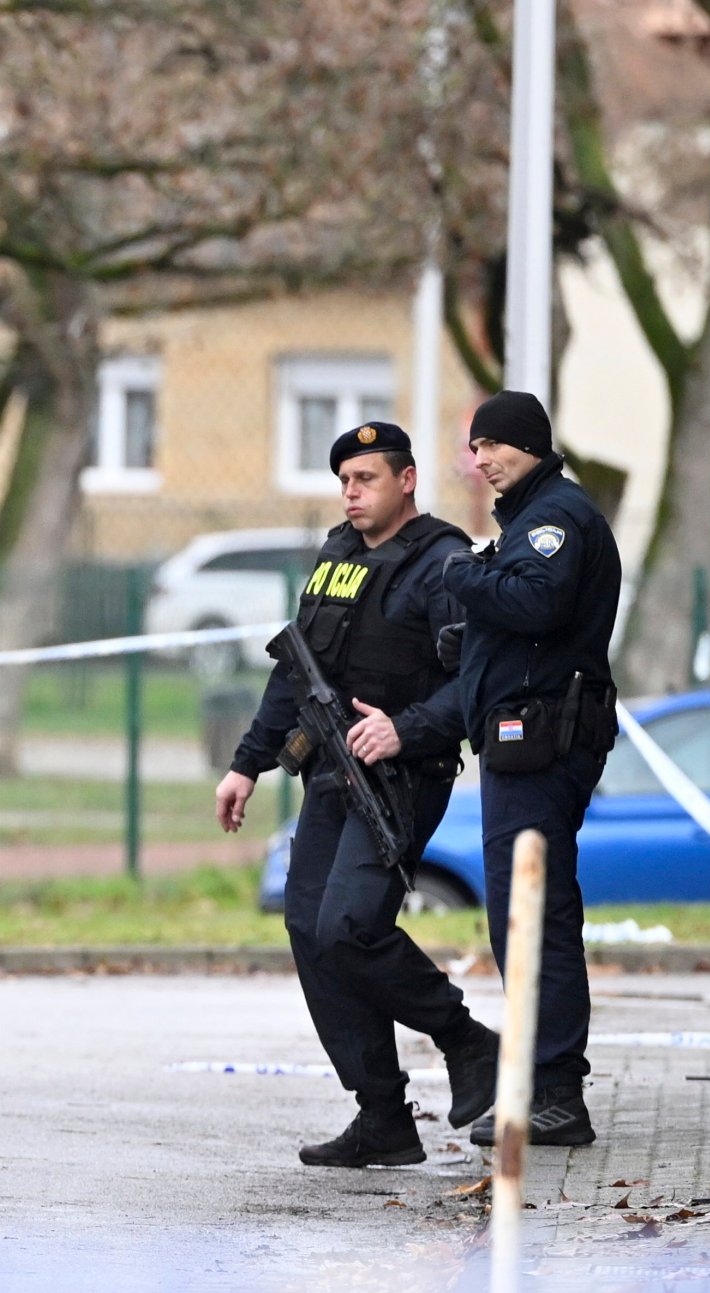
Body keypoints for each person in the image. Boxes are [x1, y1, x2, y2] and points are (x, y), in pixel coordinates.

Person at [213, 421, 500, 1168]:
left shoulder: (443, 564)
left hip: (404, 778)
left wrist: (408, 729)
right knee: (310, 930)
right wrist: (247, 764)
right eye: (343, 479)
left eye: (366, 478)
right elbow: (296, 668)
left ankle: (467, 1040)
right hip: (331, 773)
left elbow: (478, 684)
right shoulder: (337, 555)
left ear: (406, 480)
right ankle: (383, 1117)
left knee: (348, 926)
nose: (350, 492)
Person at [440, 390, 621, 1149]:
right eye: (475, 447)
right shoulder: (531, 520)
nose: (480, 459)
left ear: (531, 446)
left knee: (535, 916)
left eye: (493, 445)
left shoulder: (555, 520)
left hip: (542, 744)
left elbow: (538, 603)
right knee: (527, 914)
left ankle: (553, 1094)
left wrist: (463, 577)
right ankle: (539, 1084)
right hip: (523, 742)